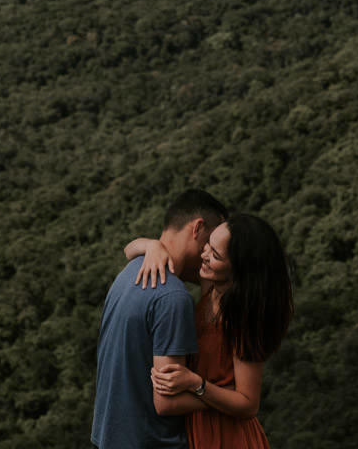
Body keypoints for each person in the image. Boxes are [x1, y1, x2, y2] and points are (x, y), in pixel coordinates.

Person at [128, 213, 294, 449]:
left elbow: (248, 404)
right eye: (207, 245)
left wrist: (195, 383)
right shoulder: (211, 285)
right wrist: (152, 246)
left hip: (228, 435)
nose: (203, 255)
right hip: (200, 426)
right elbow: (129, 248)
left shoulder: (242, 318)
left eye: (215, 255)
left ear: (239, 269)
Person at [91, 189, 229, 449]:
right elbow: (167, 401)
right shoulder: (173, 298)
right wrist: (232, 398)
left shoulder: (130, 271)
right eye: (211, 245)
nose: (209, 256)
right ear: (198, 228)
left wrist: (149, 244)